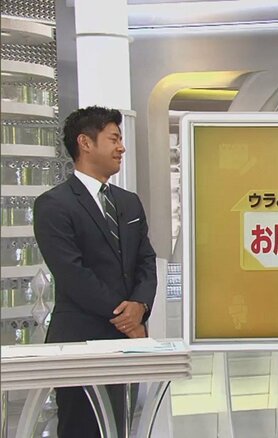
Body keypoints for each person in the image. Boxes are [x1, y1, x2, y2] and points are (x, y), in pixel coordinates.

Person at [33, 106, 157, 438]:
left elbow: (146, 260)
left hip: (128, 342)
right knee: (82, 429)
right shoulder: (54, 204)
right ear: (85, 143)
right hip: (80, 341)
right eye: (114, 139)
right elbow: (72, 273)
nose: (122, 148)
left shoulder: (128, 202)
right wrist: (126, 317)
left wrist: (140, 306)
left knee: (121, 427)